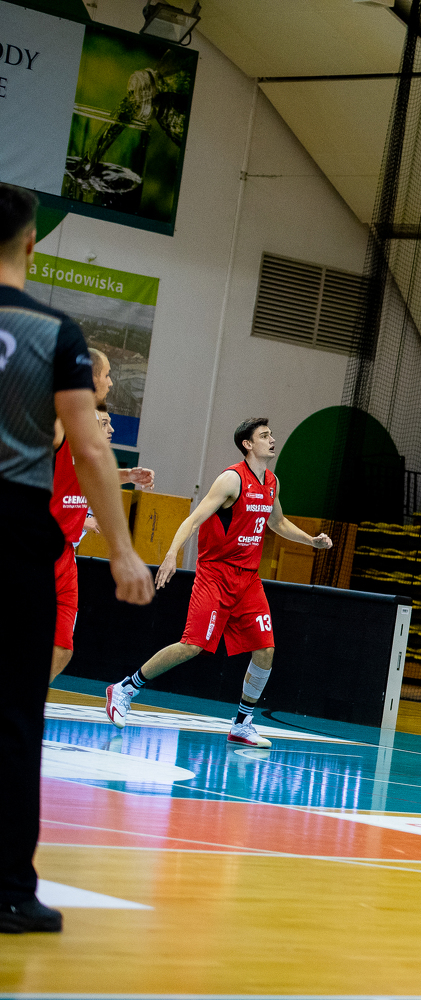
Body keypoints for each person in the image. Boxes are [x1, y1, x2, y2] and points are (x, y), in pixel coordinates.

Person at [0, 182, 152, 934]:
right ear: (31, 243)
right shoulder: (51, 331)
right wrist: (122, 551)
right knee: (14, 715)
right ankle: (8, 891)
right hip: (13, 531)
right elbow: (88, 447)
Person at [104, 418, 332, 748]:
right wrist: (171, 554)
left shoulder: (272, 482)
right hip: (215, 575)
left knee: (265, 650)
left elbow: (278, 522)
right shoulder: (231, 480)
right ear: (247, 444)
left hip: (248, 580)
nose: (272, 439)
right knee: (191, 645)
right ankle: (125, 689)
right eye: (264, 435)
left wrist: (311, 540)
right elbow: (193, 519)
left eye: (271, 434)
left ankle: (242, 724)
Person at [50, 360, 155, 680]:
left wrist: (128, 475)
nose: (111, 382)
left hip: (67, 555)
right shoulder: (60, 425)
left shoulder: (88, 448)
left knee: (63, 648)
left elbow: (96, 476)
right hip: (39, 544)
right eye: (107, 374)